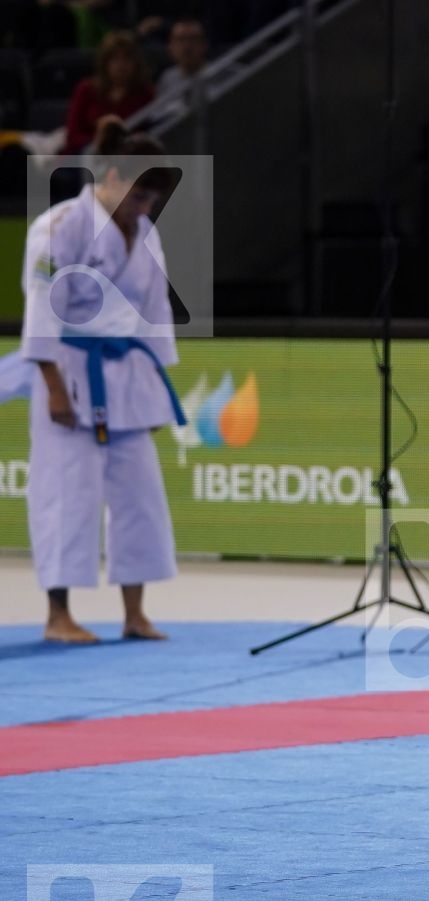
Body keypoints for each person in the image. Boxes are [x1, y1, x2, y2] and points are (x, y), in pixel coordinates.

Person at [20, 118, 186, 644]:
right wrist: (50, 384)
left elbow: (156, 314)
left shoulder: (146, 234)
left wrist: (157, 392)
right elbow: (43, 310)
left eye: (153, 200)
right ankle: (58, 616)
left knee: (140, 494)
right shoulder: (59, 226)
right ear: (110, 176)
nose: (145, 209)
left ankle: (134, 613)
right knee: (67, 493)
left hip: (128, 374)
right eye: (139, 196)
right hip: (69, 370)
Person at [63, 31, 156, 154]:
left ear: (136, 63)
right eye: (115, 59)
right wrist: (98, 144)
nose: (121, 65)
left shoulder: (145, 93)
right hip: (84, 155)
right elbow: (73, 134)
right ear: (105, 63)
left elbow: (151, 134)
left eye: (127, 58)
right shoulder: (86, 90)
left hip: (129, 158)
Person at [155, 19, 209, 101]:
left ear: (204, 45)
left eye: (193, 39)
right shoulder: (167, 79)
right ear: (170, 47)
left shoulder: (218, 73)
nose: (187, 46)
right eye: (180, 40)